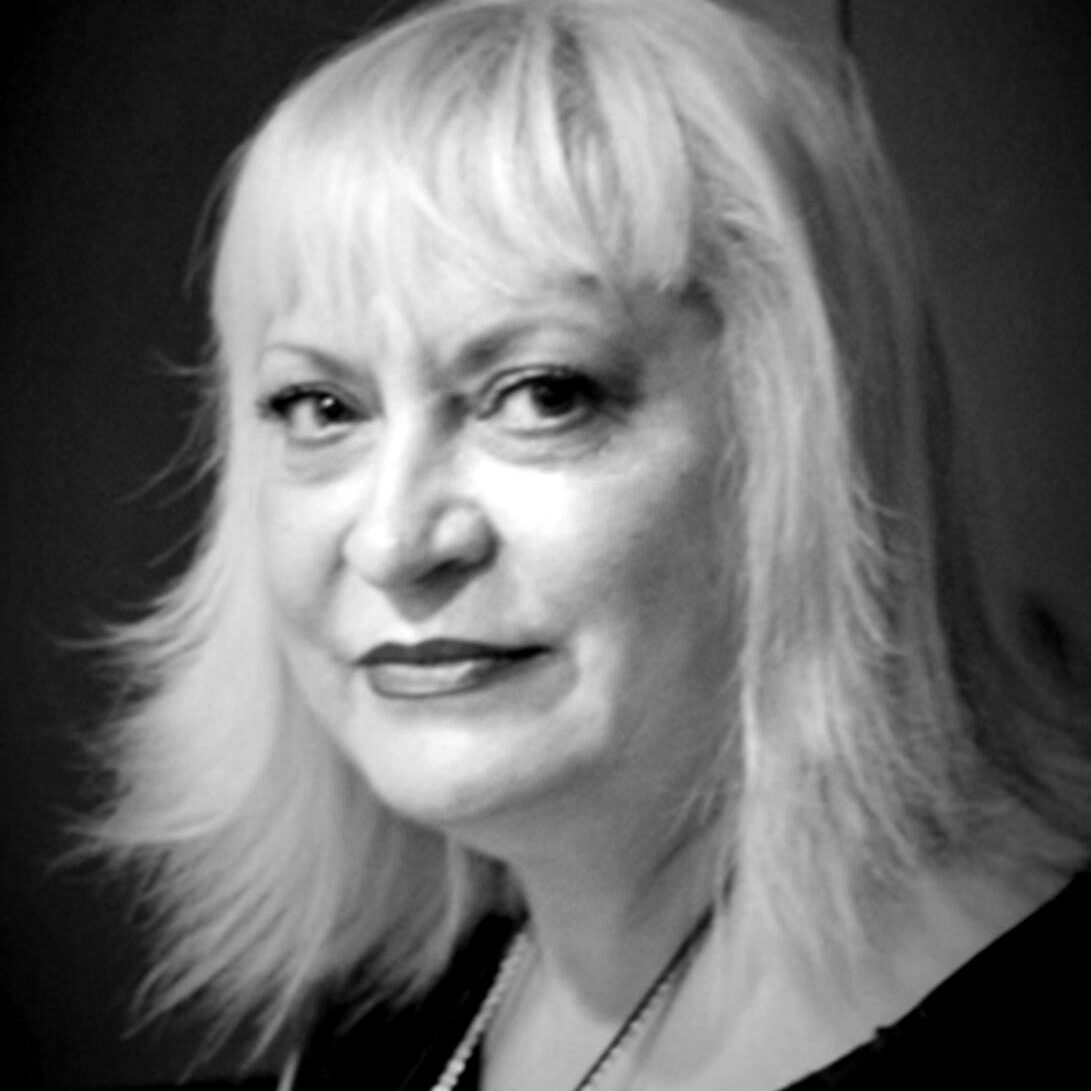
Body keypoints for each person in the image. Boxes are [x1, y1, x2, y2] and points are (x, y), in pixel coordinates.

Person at [90, 0, 1090, 1087]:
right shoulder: (384, 1007)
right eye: (321, 407)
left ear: (799, 439)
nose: (392, 540)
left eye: (541, 393)